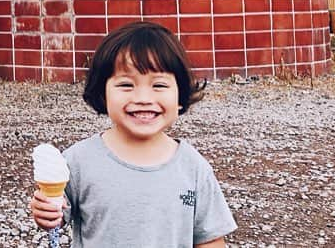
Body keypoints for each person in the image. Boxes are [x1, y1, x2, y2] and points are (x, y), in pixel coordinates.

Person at [30, 21, 237, 247]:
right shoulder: (78, 161)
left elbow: (210, 238)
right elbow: (56, 214)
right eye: (127, 85)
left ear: (180, 94)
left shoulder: (193, 168)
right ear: (102, 92)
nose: (143, 98)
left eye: (159, 85)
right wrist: (46, 211)